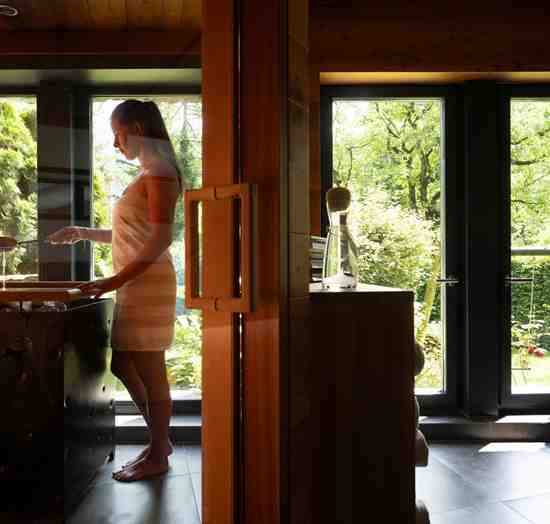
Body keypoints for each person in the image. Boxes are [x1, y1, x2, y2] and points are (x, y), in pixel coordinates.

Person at [47, 100, 183, 482]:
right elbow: (132, 233)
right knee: (123, 364)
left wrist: (112, 281)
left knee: (151, 371)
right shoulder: (148, 173)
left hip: (146, 283)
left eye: (117, 133)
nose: (114, 143)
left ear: (136, 127)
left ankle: (158, 453)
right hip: (134, 282)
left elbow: (157, 241)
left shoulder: (159, 173)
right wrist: (82, 233)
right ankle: (161, 442)